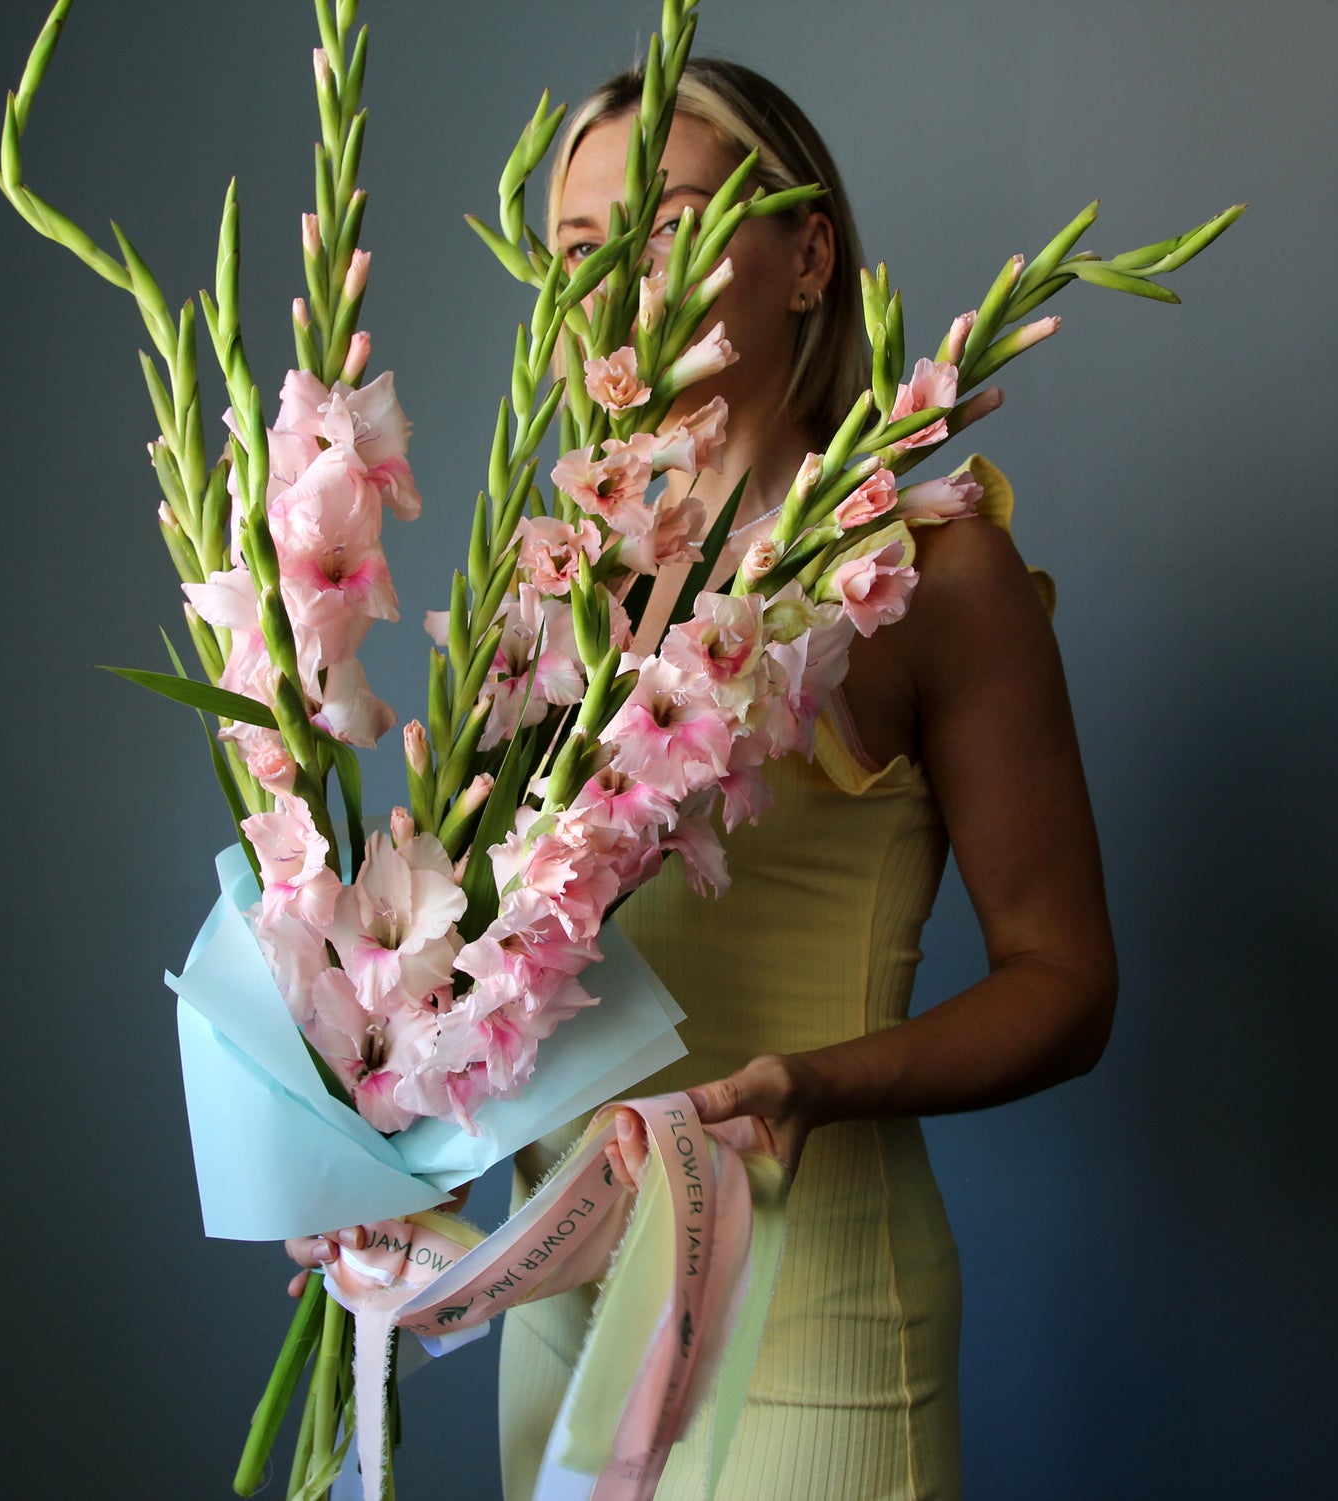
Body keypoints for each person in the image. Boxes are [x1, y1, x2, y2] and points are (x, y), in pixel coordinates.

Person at [290, 56, 1116, 1501]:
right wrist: (370, 1162)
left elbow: (1067, 980)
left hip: (815, 1316)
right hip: (558, 1298)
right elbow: (482, 967)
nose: (622, 280)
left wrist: (818, 1081)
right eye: (578, 249)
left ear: (807, 258)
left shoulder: (930, 570)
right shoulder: (541, 584)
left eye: (669, 226)